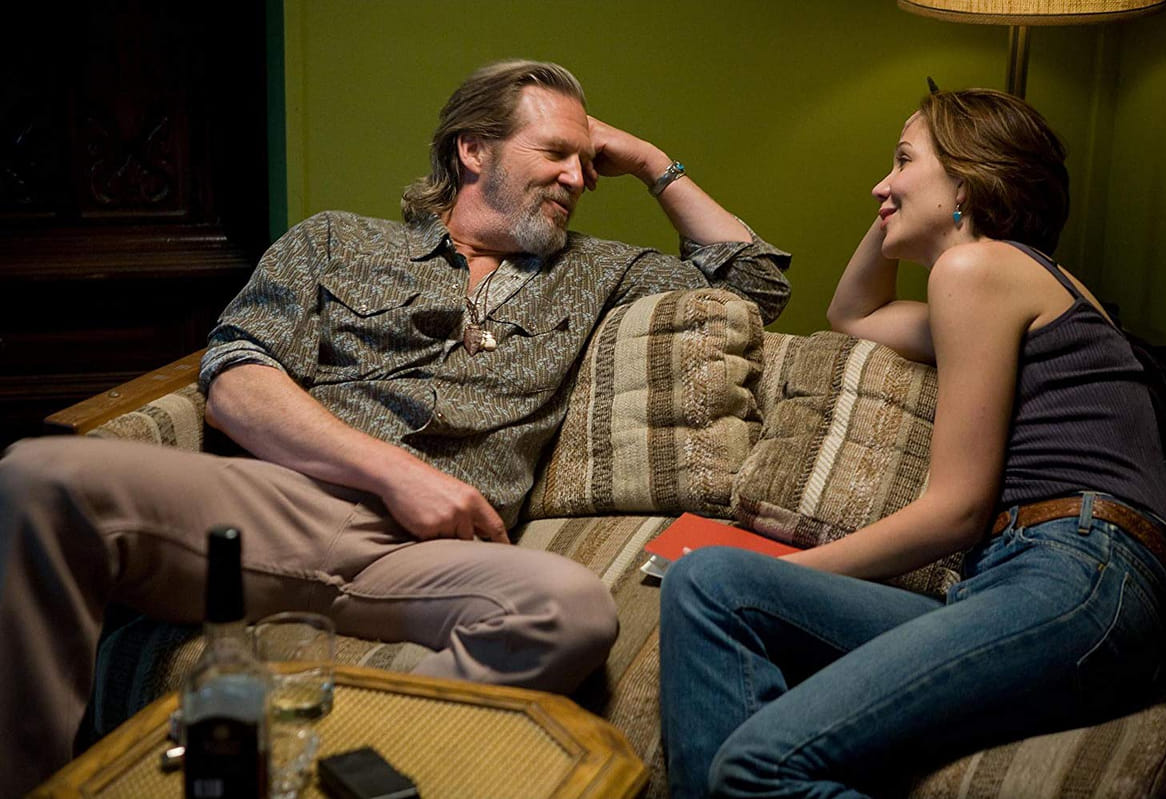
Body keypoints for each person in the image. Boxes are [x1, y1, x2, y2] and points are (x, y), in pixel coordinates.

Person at [0, 59, 790, 795]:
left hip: (433, 558)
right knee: (37, 476)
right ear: (472, 149)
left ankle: (326, 748)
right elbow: (236, 379)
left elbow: (754, 284)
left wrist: (648, 160)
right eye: (556, 152)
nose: (579, 177)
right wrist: (393, 470)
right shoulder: (336, 240)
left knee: (573, 609)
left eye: (588, 162)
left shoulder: (598, 270)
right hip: (281, 504)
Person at [659, 88, 1166, 798]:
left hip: (1078, 571)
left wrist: (794, 567)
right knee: (706, 581)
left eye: (903, 161)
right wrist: (902, 205)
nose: (880, 185)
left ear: (967, 182)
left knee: (756, 766)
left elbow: (954, 512)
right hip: (1019, 578)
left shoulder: (981, 270)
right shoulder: (993, 285)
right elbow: (853, 312)